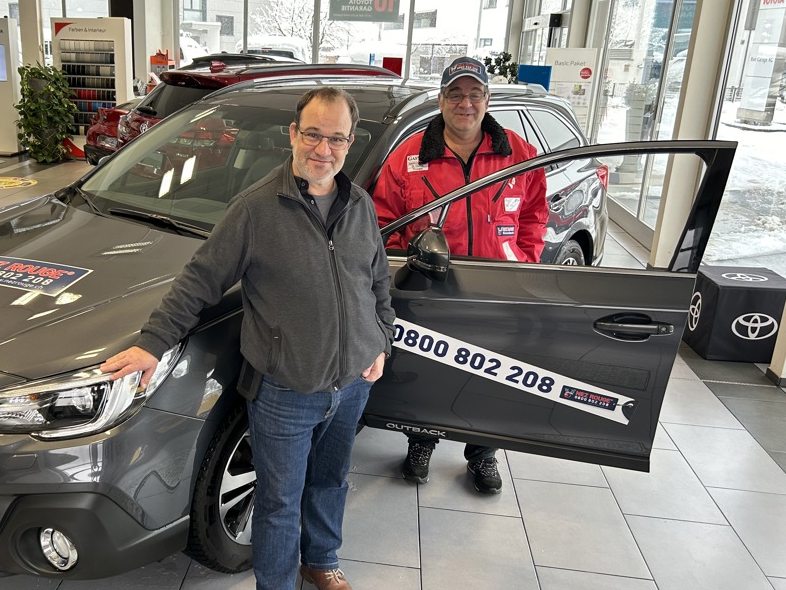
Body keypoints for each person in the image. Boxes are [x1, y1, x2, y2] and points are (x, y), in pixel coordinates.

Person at [103, 87, 395, 590]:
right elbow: (199, 280)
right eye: (313, 135)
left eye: (337, 139)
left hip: (351, 385)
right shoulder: (255, 210)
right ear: (293, 135)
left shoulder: (360, 206)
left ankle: (321, 560)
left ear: (350, 143)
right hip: (285, 391)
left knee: (330, 481)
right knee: (279, 502)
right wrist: (153, 343)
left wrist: (381, 340)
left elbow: (377, 280)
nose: (323, 150)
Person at [372, 56, 548, 493]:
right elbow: (382, 220)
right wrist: (404, 266)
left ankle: (482, 452)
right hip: (432, 287)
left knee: (491, 376)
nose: (464, 103)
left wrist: (522, 262)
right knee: (428, 372)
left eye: (474, 93)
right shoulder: (407, 157)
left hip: (496, 290)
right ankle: (421, 442)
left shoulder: (520, 154)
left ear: (487, 99)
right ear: (441, 100)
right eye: (455, 93)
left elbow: (534, 216)